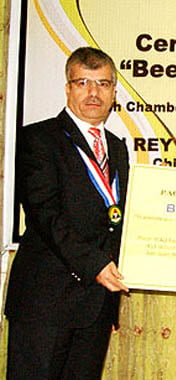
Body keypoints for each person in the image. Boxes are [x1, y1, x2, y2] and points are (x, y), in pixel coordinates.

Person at [5, 47, 130, 379]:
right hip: (44, 303)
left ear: (114, 92)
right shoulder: (38, 138)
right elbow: (45, 214)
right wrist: (95, 264)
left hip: (96, 305)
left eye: (103, 84)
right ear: (68, 88)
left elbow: (124, 217)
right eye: (83, 82)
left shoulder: (117, 147)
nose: (93, 93)